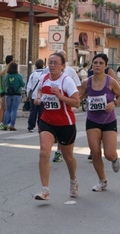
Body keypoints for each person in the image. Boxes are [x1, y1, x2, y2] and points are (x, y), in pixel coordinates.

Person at [33, 52, 80, 200]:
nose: (52, 65)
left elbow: (77, 102)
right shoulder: (44, 78)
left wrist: (60, 96)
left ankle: (73, 180)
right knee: (44, 152)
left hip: (66, 123)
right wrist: (39, 97)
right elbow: (40, 89)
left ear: (62, 66)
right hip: (47, 121)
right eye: (50, 62)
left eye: (55, 63)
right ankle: (45, 190)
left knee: (68, 157)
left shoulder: (66, 81)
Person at [79, 54, 120, 192]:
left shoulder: (111, 82)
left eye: (100, 63)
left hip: (108, 120)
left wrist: (114, 103)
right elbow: (78, 96)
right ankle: (102, 180)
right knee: (95, 152)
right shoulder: (86, 83)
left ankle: (114, 158)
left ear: (105, 66)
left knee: (109, 154)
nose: (97, 65)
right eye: (95, 63)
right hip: (92, 120)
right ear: (92, 65)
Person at [52, 50, 81, 163]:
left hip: (63, 106)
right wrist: (39, 97)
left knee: (61, 130)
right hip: (49, 107)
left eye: (62, 58)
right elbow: (41, 83)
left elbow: (78, 86)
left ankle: (59, 151)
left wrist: (74, 97)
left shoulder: (70, 72)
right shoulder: (48, 70)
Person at [3, 62, 25, 131]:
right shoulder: (18, 76)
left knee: (8, 110)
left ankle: (5, 124)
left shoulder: (7, 76)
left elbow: (5, 83)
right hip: (16, 94)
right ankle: (12, 125)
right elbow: (23, 84)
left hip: (8, 94)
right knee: (14, 110)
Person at [26, 59, 45, 132]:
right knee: (41, 112)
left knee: (33, 112)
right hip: (42, 97)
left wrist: (28, 95)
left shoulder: (33, 74)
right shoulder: (44, 74)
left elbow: (29, 86)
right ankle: (40, 127)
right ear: (42, 65)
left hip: (34, 97)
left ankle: (31, 126)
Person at [0, 55, 13, 130]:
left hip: (5, 91)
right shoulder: (4, 70)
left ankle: (3, 122)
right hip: (4, 91)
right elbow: (4, 82)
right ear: (11, 61)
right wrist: (6, 90)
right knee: (3, 107)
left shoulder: (6, 69)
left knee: (5, 107)